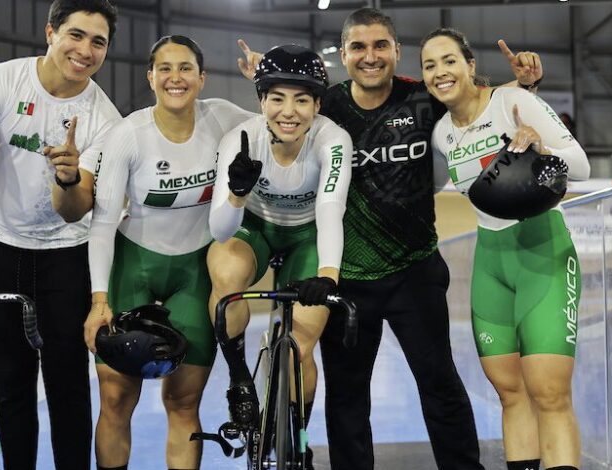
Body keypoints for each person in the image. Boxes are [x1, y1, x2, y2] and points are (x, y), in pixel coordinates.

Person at [235, 7, 544, 470]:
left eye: (381, 45)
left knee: (439, 383)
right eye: (358, 47)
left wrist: (525, 87)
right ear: (343, 55)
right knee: (348, 399)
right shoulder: (327, 105)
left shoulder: (424, 98)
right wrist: (272, 71)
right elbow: (283, 112)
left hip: (414, 270)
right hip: (347, 277)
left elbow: (478, 105)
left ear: (397, 51)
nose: (370, 56)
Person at [60, 35, 253, 470]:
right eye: (164, 69)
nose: (175, 78)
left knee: (183, 403)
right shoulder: (128, 134)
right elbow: (103, 224)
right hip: (134, 267)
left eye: (185, 68)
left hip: (195, 269)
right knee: (115, 399)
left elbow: (281, 118)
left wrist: (263, 77)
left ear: (202, 78)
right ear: (151, 78)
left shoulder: (223, 118)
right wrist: (99, 302)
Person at [0, 1, 120, 469]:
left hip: (67, 257)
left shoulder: (105, 119)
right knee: (10, 385)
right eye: (76, 35)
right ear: (50, 32)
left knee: (68, 388)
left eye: (98, 41)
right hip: (1, 250)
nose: (85, 50)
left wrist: (67, 178)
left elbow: (74, 212)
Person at [423, 28, 589, 470]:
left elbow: (581, 166)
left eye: (449, 61)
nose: (440, 72)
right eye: (429, 65)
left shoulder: (514, 102)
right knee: (510, 393)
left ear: (470, 65)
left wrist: (542, 145)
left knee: (549, 392)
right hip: (490, 260)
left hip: (541, 248)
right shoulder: (442, 133)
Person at [208, 45, 352, 465]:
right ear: (261, 101)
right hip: (255, 228)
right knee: (226, 272)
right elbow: (219, 230)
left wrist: (327, 276)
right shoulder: (240, 139)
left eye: (302, 100)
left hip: (308, 234)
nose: (289, 112)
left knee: (300, 347)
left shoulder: (332, 139)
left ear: (317, 105)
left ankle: (298, 435)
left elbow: (330, 211)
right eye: (277, 99)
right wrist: (236, 194)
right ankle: (239, 380)